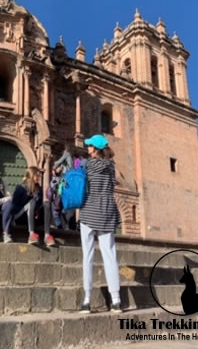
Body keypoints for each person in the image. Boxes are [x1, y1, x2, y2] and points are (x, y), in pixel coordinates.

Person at [78, 134, 122, 314]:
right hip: (107, 210)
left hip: (89, 211)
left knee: (87, 256)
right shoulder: (111, 166)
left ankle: (87, 300)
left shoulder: (87, 164)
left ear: (95, 149)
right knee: (110, 255)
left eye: (90, 145)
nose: (87, 148)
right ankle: (116, 300)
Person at [1, 167, 55, 246]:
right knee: (32, 202)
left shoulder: (38, 189)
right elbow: (14, 206)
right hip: (21, 217)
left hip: (34, 217)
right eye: (37, 175)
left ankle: (47, 236)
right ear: (32, 175)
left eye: (39, 176)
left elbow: (39, 204)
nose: (39, 178)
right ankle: (31, 234)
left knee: (47, 204)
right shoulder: (20, 188)